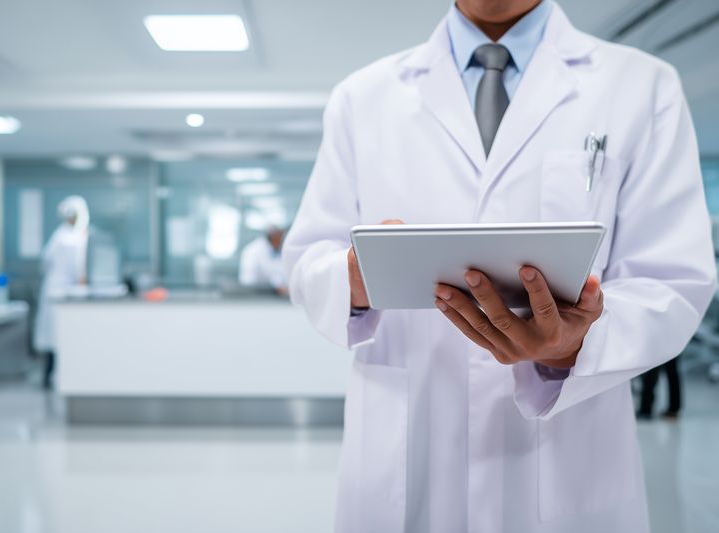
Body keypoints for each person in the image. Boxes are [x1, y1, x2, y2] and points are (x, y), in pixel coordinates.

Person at [283, 1, 716, 532]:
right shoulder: (363, 97)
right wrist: (351, 277)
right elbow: (308, 257)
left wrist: (574, 345)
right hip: (409, 451)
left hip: (566, 456)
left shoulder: (643, 87)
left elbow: (673, 279)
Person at [33, 196, 89, 389]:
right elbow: (79, 272)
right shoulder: (74, 239)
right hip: (63, 291)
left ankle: (48, 378)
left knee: (52, 339)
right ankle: (56, 379)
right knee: (59, 338)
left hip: (52, 288)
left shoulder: (58, 236)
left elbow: (45, 263)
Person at [238, 226, 288, 295]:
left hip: (275, 296)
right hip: (256, 295)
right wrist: (277, 287)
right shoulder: (254, 251)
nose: (283, 240)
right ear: (274, 236)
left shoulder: (278, 250)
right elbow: (249, 280)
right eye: (281, 236)